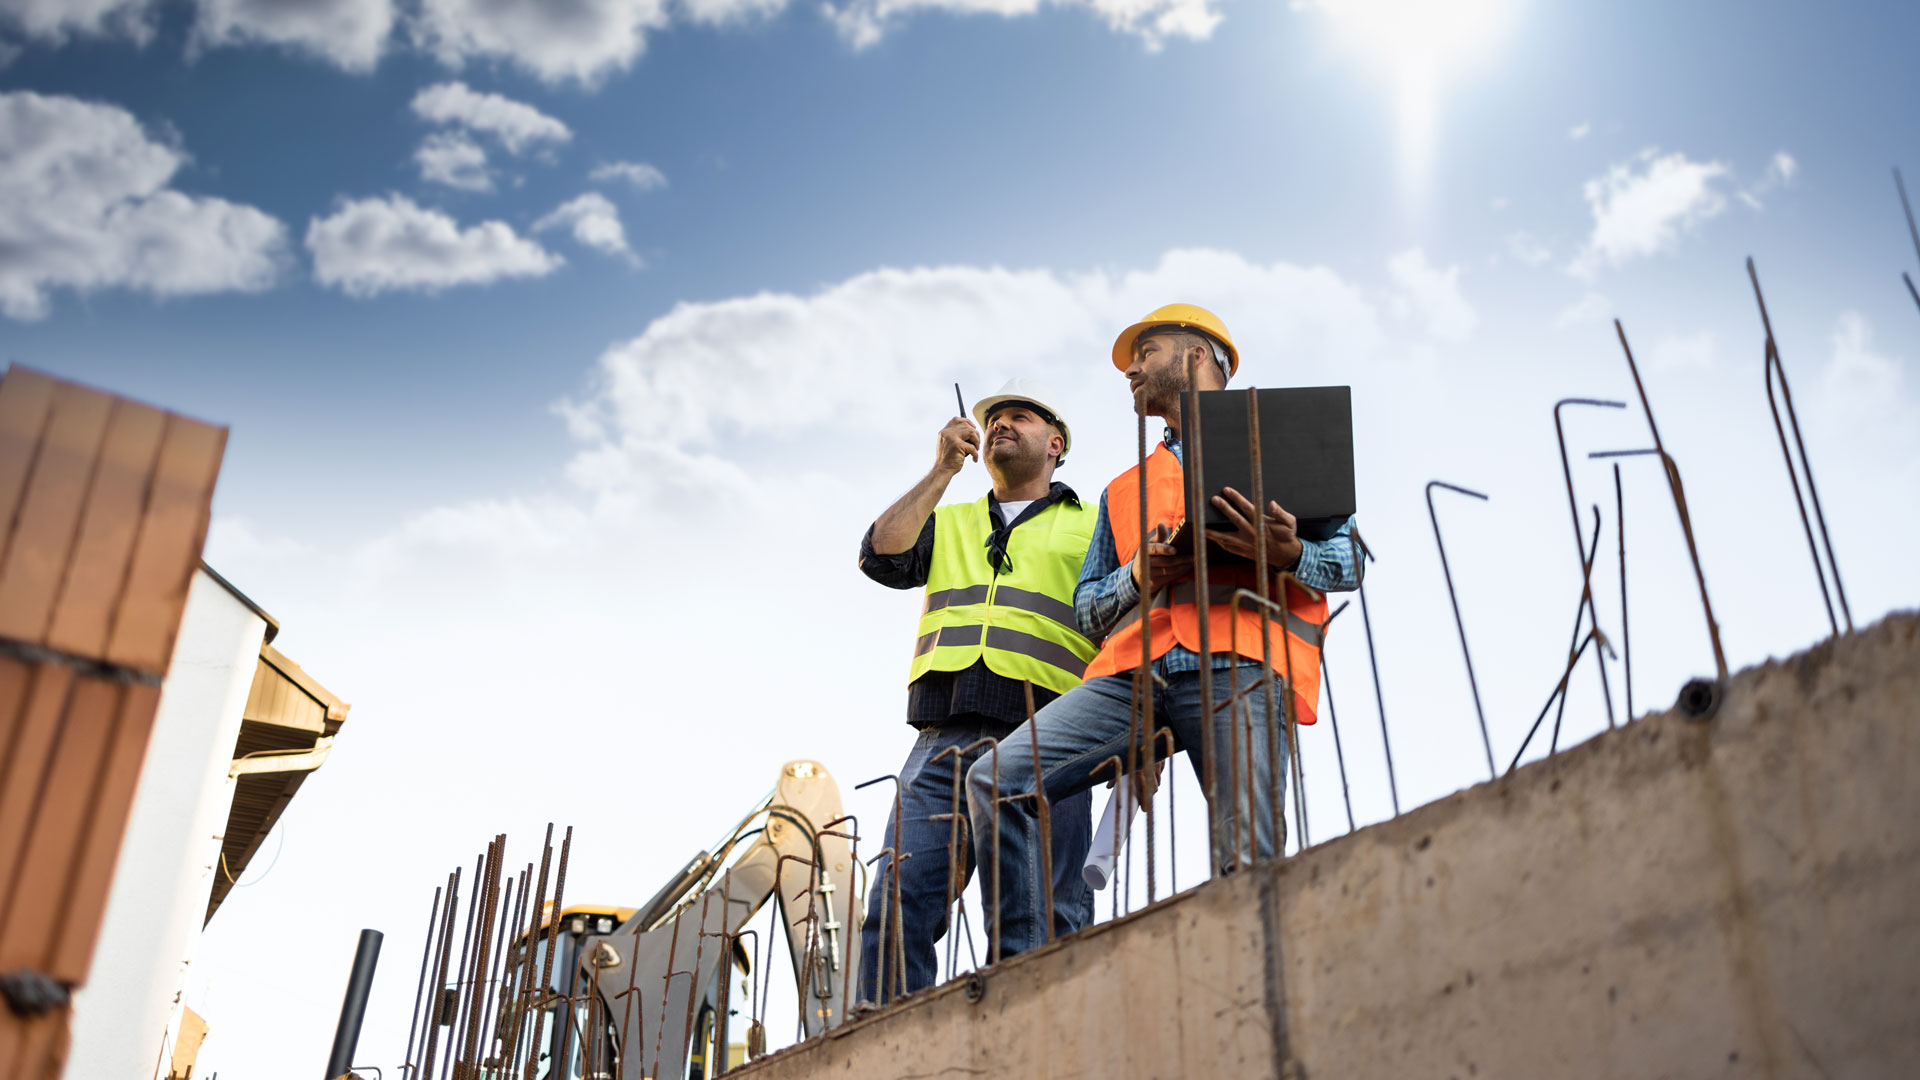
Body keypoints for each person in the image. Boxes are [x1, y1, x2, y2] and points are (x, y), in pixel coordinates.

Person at [968, 304, 1362, 961]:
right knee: (993, 781)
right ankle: (1019, 972)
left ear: (1203, 355)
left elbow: (1351, 562)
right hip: (1135, 683)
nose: (1131, 367)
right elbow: (1089, 609)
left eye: (1147, 350)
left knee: (1248, 863)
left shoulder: (1285, 442)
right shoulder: (1125, 488)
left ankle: (1254, 990)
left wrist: (1289, 553)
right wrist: (1140, 574)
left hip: (1243, 667)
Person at [855, 378, 1098, 1003]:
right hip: (944, 738)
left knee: (1042, 917)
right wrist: (940, 471)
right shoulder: (950, 520)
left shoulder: (1093, 525)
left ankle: (1040, 1044)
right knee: (898, 904)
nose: (1002, 425)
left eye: (1021, 417)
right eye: (994, 418)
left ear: (1056, 444)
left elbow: (1126, 619)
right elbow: (880, 556)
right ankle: (887, 1048)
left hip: (1050, 735)